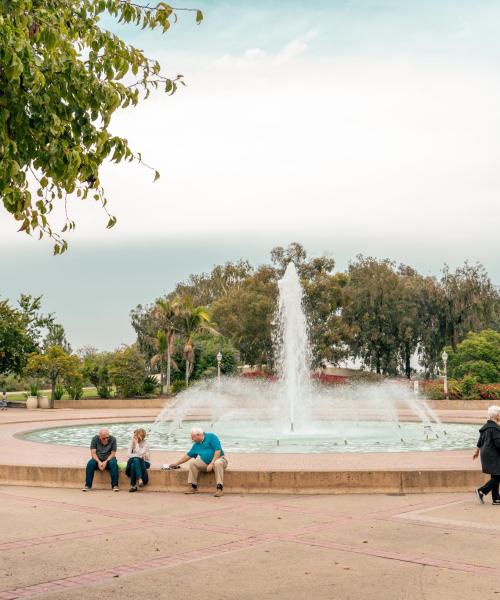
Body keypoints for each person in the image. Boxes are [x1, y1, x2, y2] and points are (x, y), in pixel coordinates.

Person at [166, 427, 228, 497]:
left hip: (219, 460)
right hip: (206, 463)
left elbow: (218, 450)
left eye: (193, 437)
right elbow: (187, 456)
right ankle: (193, 487)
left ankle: (219, 489)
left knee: (218, 463)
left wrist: (212, 463)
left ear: (199, 435)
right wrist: (176, 464)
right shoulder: (196, 445)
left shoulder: (211, 437)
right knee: (193, 463)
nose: (192, 439)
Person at [473, 405, 500, 505]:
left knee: (496, 475)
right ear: (497, 415)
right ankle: (481, 491)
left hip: (486, 453)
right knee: (498, 476)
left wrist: (476, 451)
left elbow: (480, 441)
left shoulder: (485, 427)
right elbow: (498, 443)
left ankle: (496, 498)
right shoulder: (495, 428)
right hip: (493, 454)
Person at [126, 428, 150, 493]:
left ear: (140, 436)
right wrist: (138, 456)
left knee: (134, 464)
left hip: (145, 462)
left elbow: (140, 453)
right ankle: (140, 479)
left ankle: (133, 486)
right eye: (134, 435)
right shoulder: (131, 442)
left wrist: (136, 444)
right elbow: (128, 454)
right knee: (136, 460)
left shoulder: (145, 444)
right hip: (134, 460)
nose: (134, 437)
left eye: (135, 436)